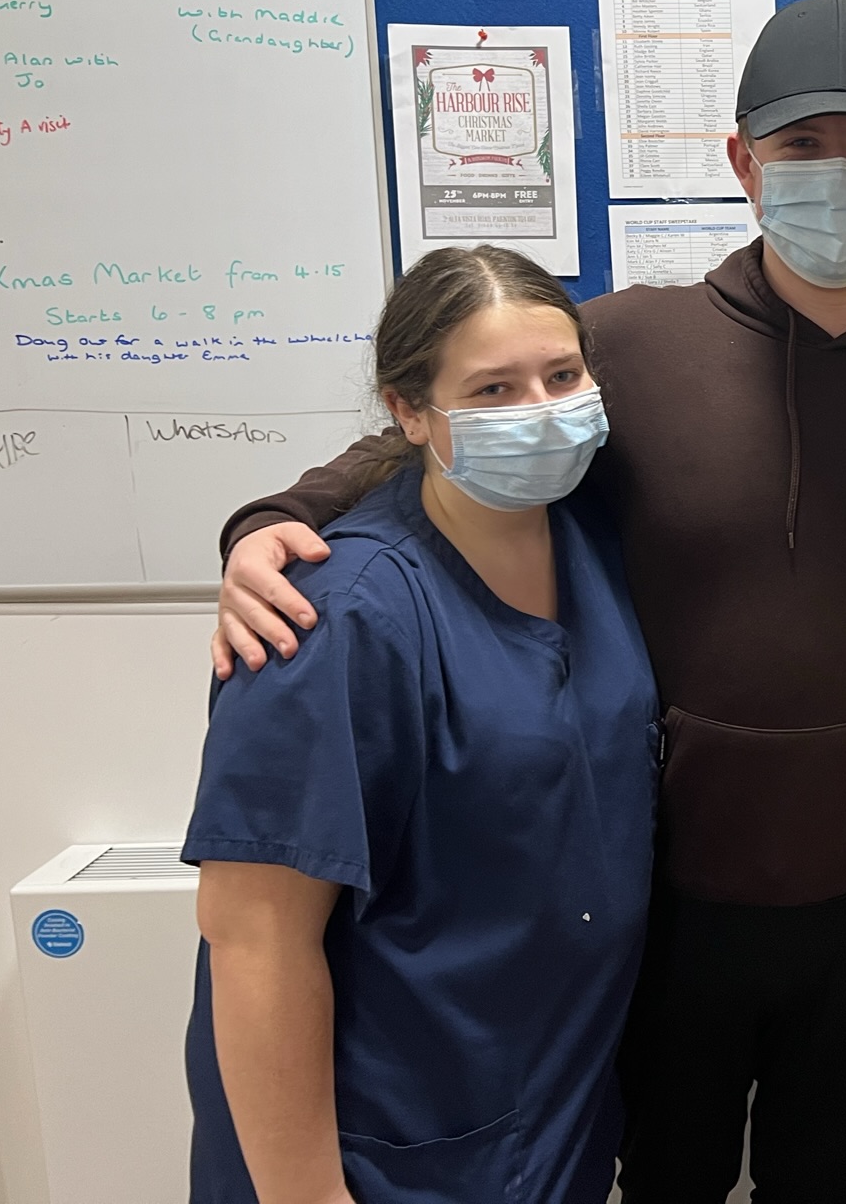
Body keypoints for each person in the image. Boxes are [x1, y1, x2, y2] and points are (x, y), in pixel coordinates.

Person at [205, 0, 846, 1202]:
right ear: (741, 161)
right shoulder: (626, 345)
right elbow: (444, 409)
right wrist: (268, 522)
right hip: (669, 896)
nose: (837, 174)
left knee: (827, 1178)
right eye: (801, 145)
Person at [184, 245, 658, 1204]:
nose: (541, 410)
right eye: (492, 389)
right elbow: (254, 936)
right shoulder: (335, 615)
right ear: (408, 412)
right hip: (393, 1140)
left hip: (549, 1110)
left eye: (562, 376)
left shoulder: (591, 541)